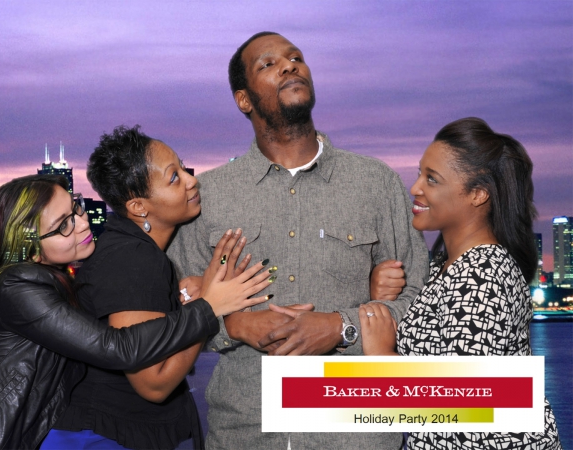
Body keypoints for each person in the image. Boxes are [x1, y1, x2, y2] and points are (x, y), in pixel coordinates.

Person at [167, 32, 430, 449]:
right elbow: (174, 308)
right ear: (244, 100)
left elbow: (419, 299)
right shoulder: (210, 195)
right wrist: (233, 326)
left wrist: (340, 326)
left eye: (296, 58)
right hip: (244, 434)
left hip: (355, 435)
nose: (289, 65)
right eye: (268, 64)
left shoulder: (374, 183)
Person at [0, 174, 271, 450]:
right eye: (63, 225)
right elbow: (117, 348)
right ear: (28, 247)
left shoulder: (49, 278)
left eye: (75, 208)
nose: (81, 223)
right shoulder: (17, 287)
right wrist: (209, 307)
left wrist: (179, 296)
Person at [45, 126, 273, 449]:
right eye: (174, 178)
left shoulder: (130, 248)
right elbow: (154, 384)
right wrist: (209, 304)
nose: (192, 179)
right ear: (139, 207)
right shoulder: (134, 258)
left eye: (183, 167)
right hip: (103, 439)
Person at [359, 117, 562, 449]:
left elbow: (466, 402)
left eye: (432, 179)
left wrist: (382, 357)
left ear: (478, 195)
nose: (415, 188)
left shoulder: (483, 274)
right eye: (420, 174)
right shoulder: (447, 266)